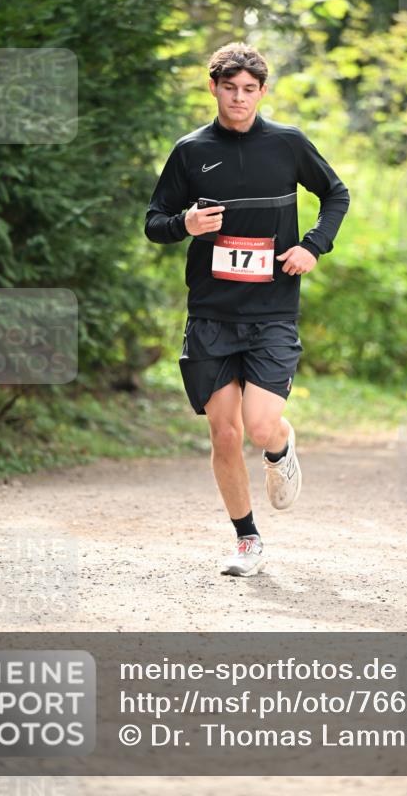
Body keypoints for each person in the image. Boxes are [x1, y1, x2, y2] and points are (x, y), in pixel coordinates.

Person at [144, 42, 350, 576]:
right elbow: (154, 221)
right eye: (229, 88)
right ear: (213, 87)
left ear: (262, 91)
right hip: (211, 313)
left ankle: (281, 450)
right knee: (225, 433)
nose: (238, 98)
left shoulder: (286, 144)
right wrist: (182, 225)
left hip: (272, 311)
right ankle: (247, 540)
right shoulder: (190, 150)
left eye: (249, 90)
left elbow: (336, 194)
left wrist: (313, 245)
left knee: (260, 427)